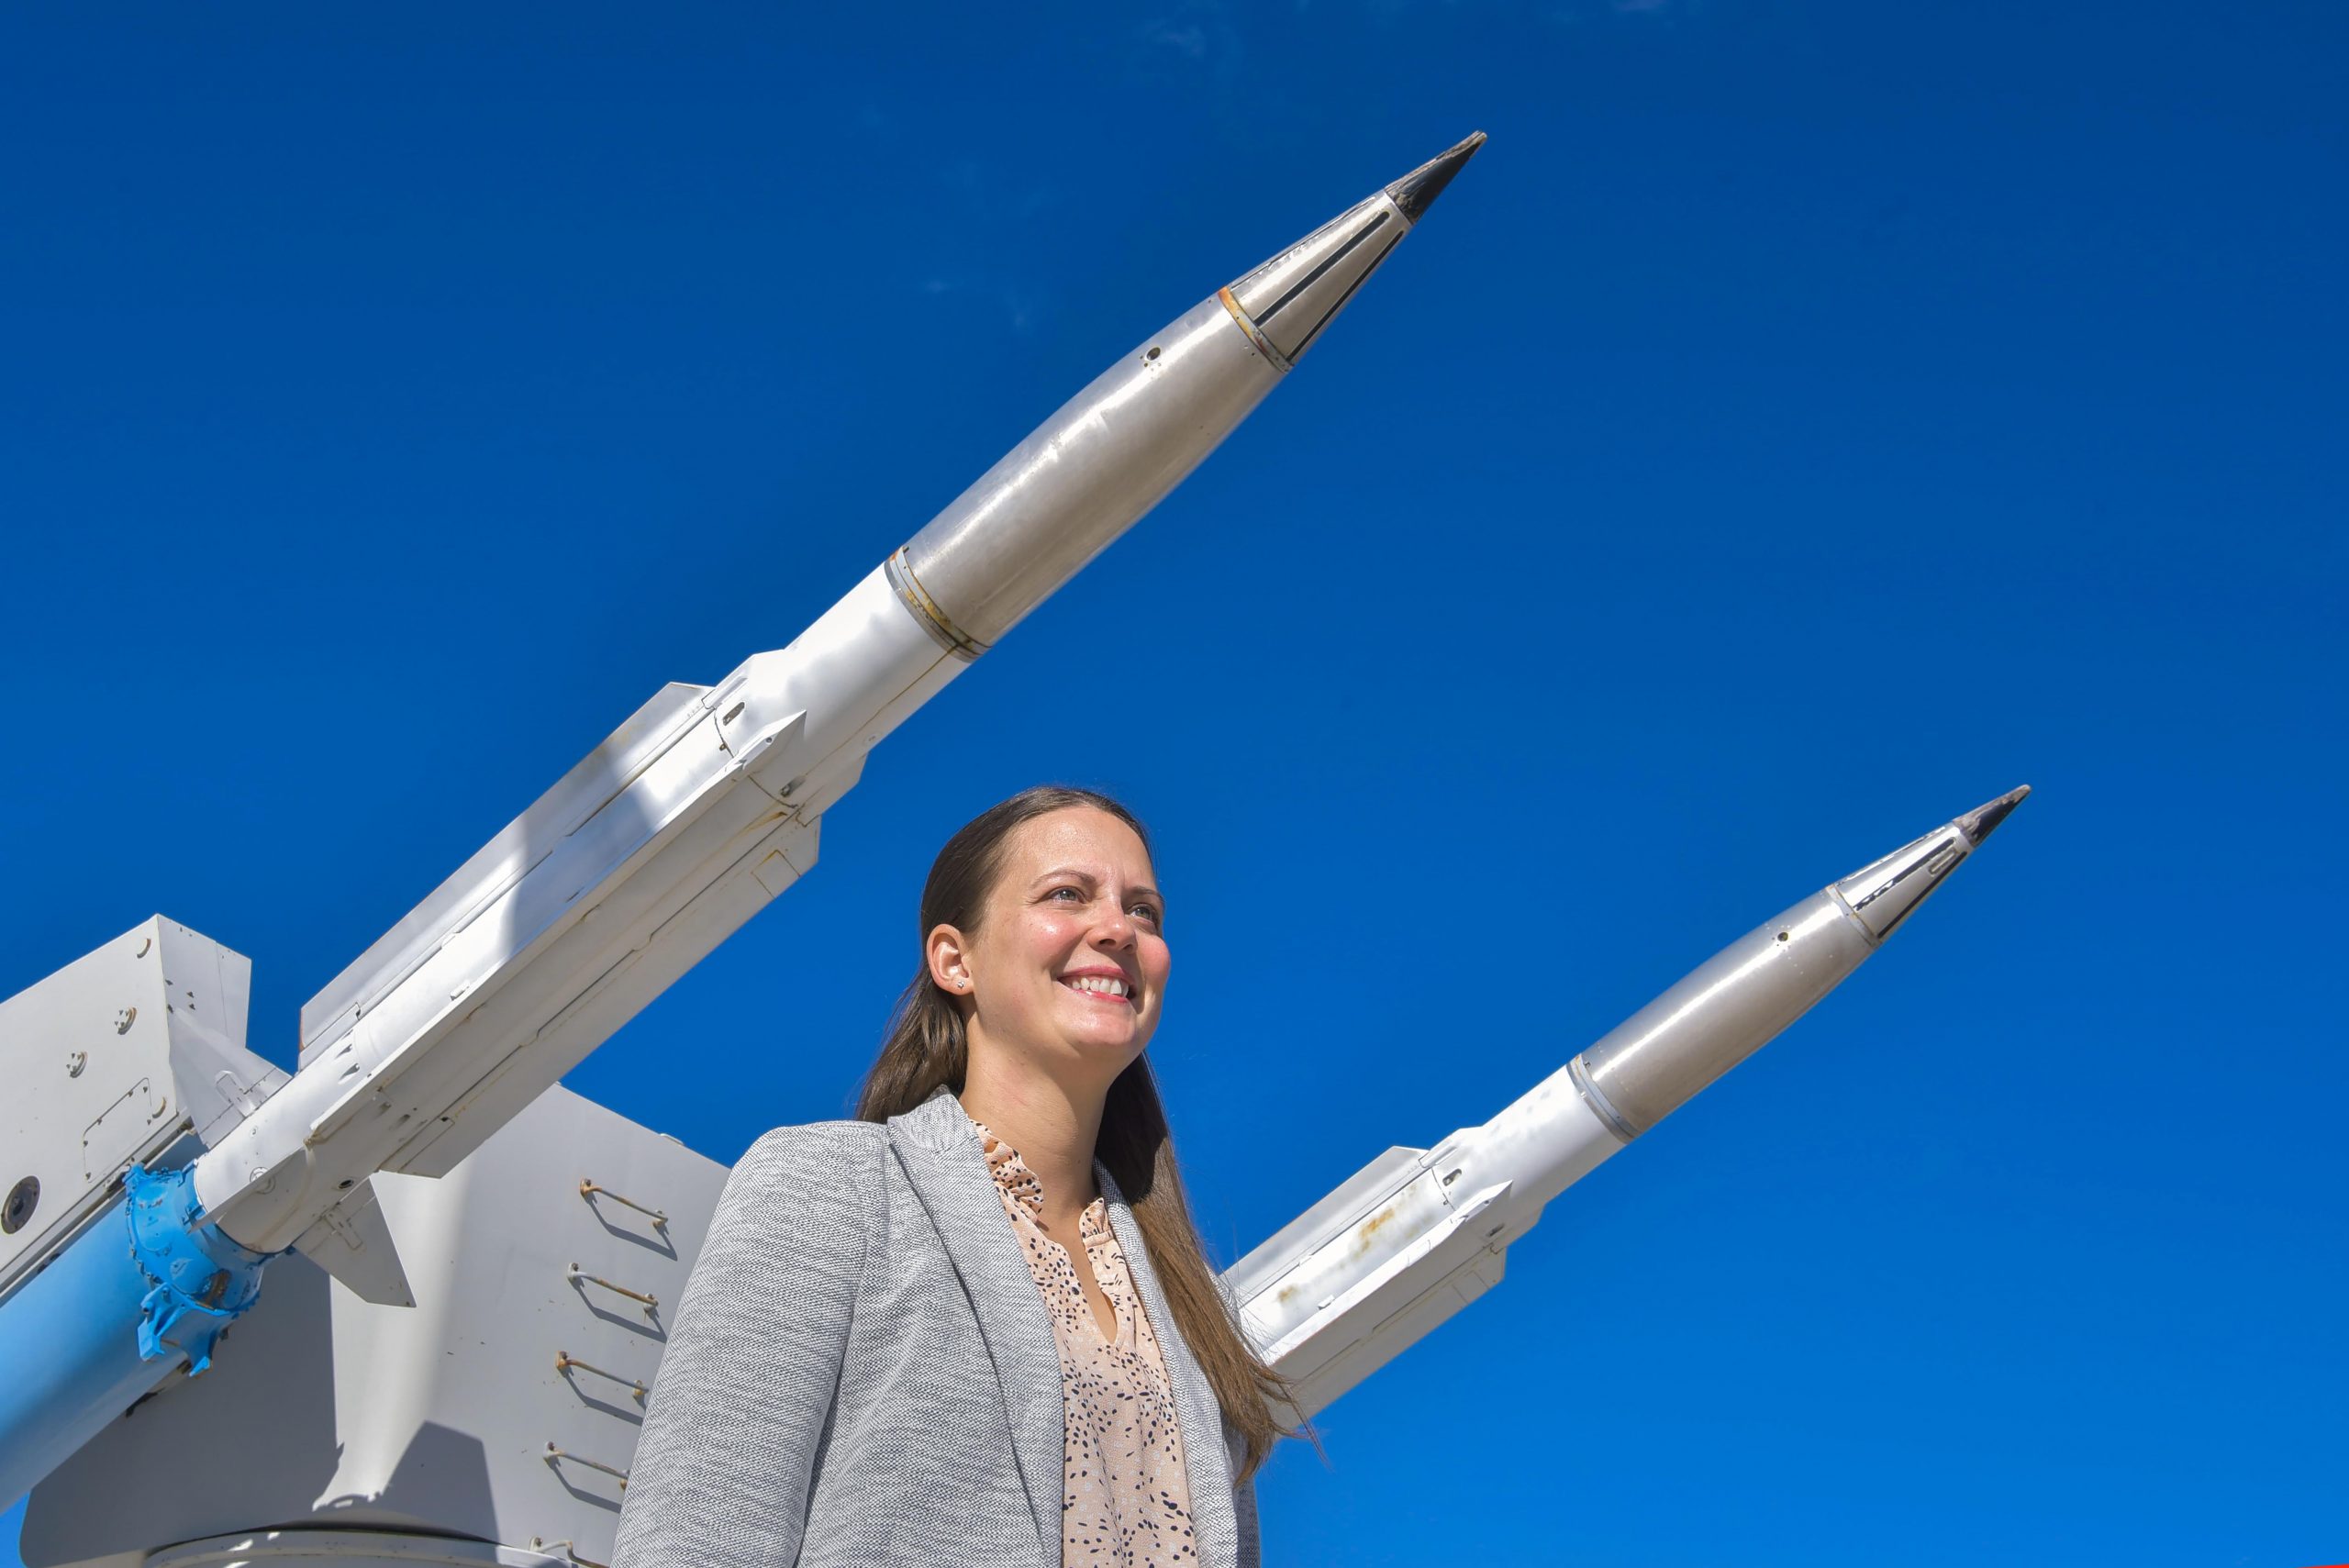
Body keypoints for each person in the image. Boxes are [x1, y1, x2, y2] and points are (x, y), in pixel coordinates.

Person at [613, 785, 1295, 1568]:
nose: (1117, 928)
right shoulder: (836, 1187)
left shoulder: (1191, 1297)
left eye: (1144, 910)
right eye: (1067, 894)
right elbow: (699, 1533)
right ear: (954, 959)